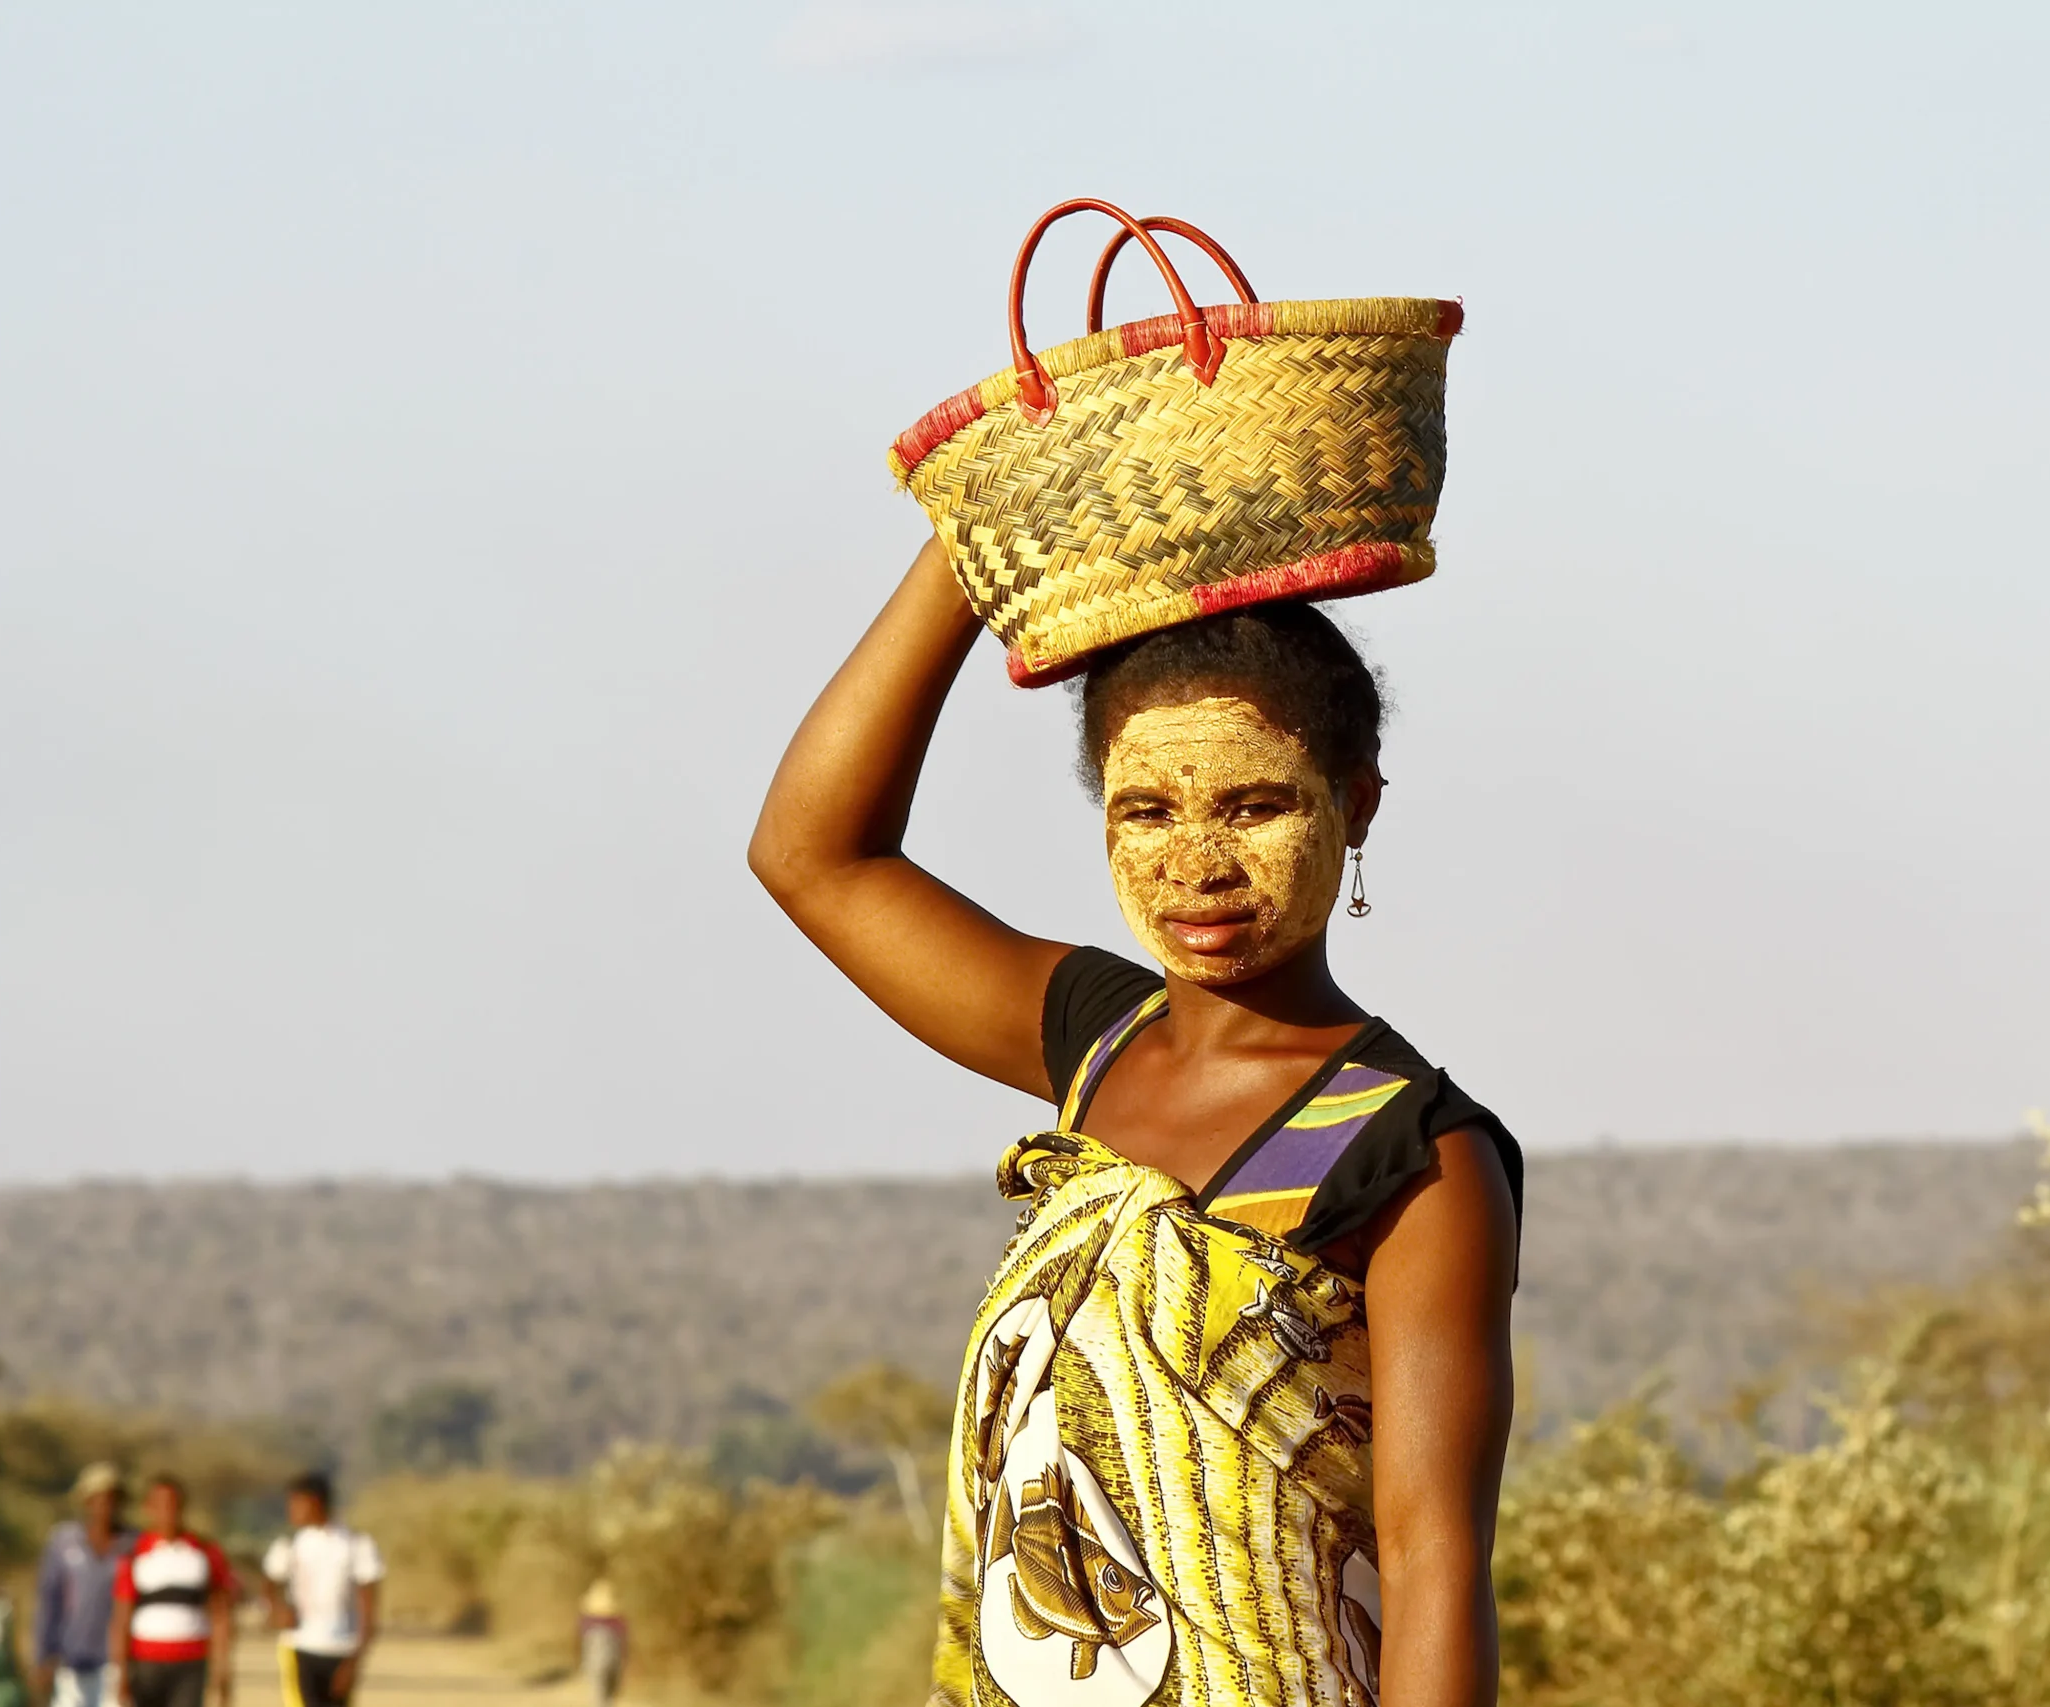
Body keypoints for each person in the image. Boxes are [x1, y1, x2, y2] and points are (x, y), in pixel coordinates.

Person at [750, 539, 1522, 1707]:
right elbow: (813, 855)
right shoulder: (1094, 1044)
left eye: (1254, 805)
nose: (1196, 863)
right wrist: (972, 552)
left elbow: (1432, 1563)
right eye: (1146, 809)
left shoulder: (1409, 1150)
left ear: (1353, 804)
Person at [108, 1475, 231, 1707]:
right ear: (148, 1508)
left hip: (191, 1662)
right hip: (145, 1663)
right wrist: (121, 1673)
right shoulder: (135, 1554)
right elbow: (121, 1618)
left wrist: (221, 1671)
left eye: (173, 1504)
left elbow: (220, 1614)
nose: (168, 1511)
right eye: (160, 1504)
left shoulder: (205, 1552)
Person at [260, 1473, 382, 1707]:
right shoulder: (289, 1544)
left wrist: (355, 1661)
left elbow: (369, 1609)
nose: (291, 1511)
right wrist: (277, 1609)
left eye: (296, 1504)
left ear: (316, 1502)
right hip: (299, 1647)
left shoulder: (357, 1545)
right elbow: (268, 1585)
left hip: (341, 1649)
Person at [33, 1464, 133, 1707]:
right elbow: (50, 1600)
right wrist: (43, 1656)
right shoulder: (64, 1542)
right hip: (71, 1658)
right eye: (96, 1499)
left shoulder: (133, 1544)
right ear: (86, 1502)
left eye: (111, 1499)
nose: (104, 1506)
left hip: (116, 1662)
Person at [575, 1582, 626, 1707]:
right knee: (610, 1695)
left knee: (599, 1696)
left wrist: (583, 1664)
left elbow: (583, 1645)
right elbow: (623, 1645)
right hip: (614, 1662)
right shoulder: (618, 1623)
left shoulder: (586, 1622)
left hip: (594, 1663)